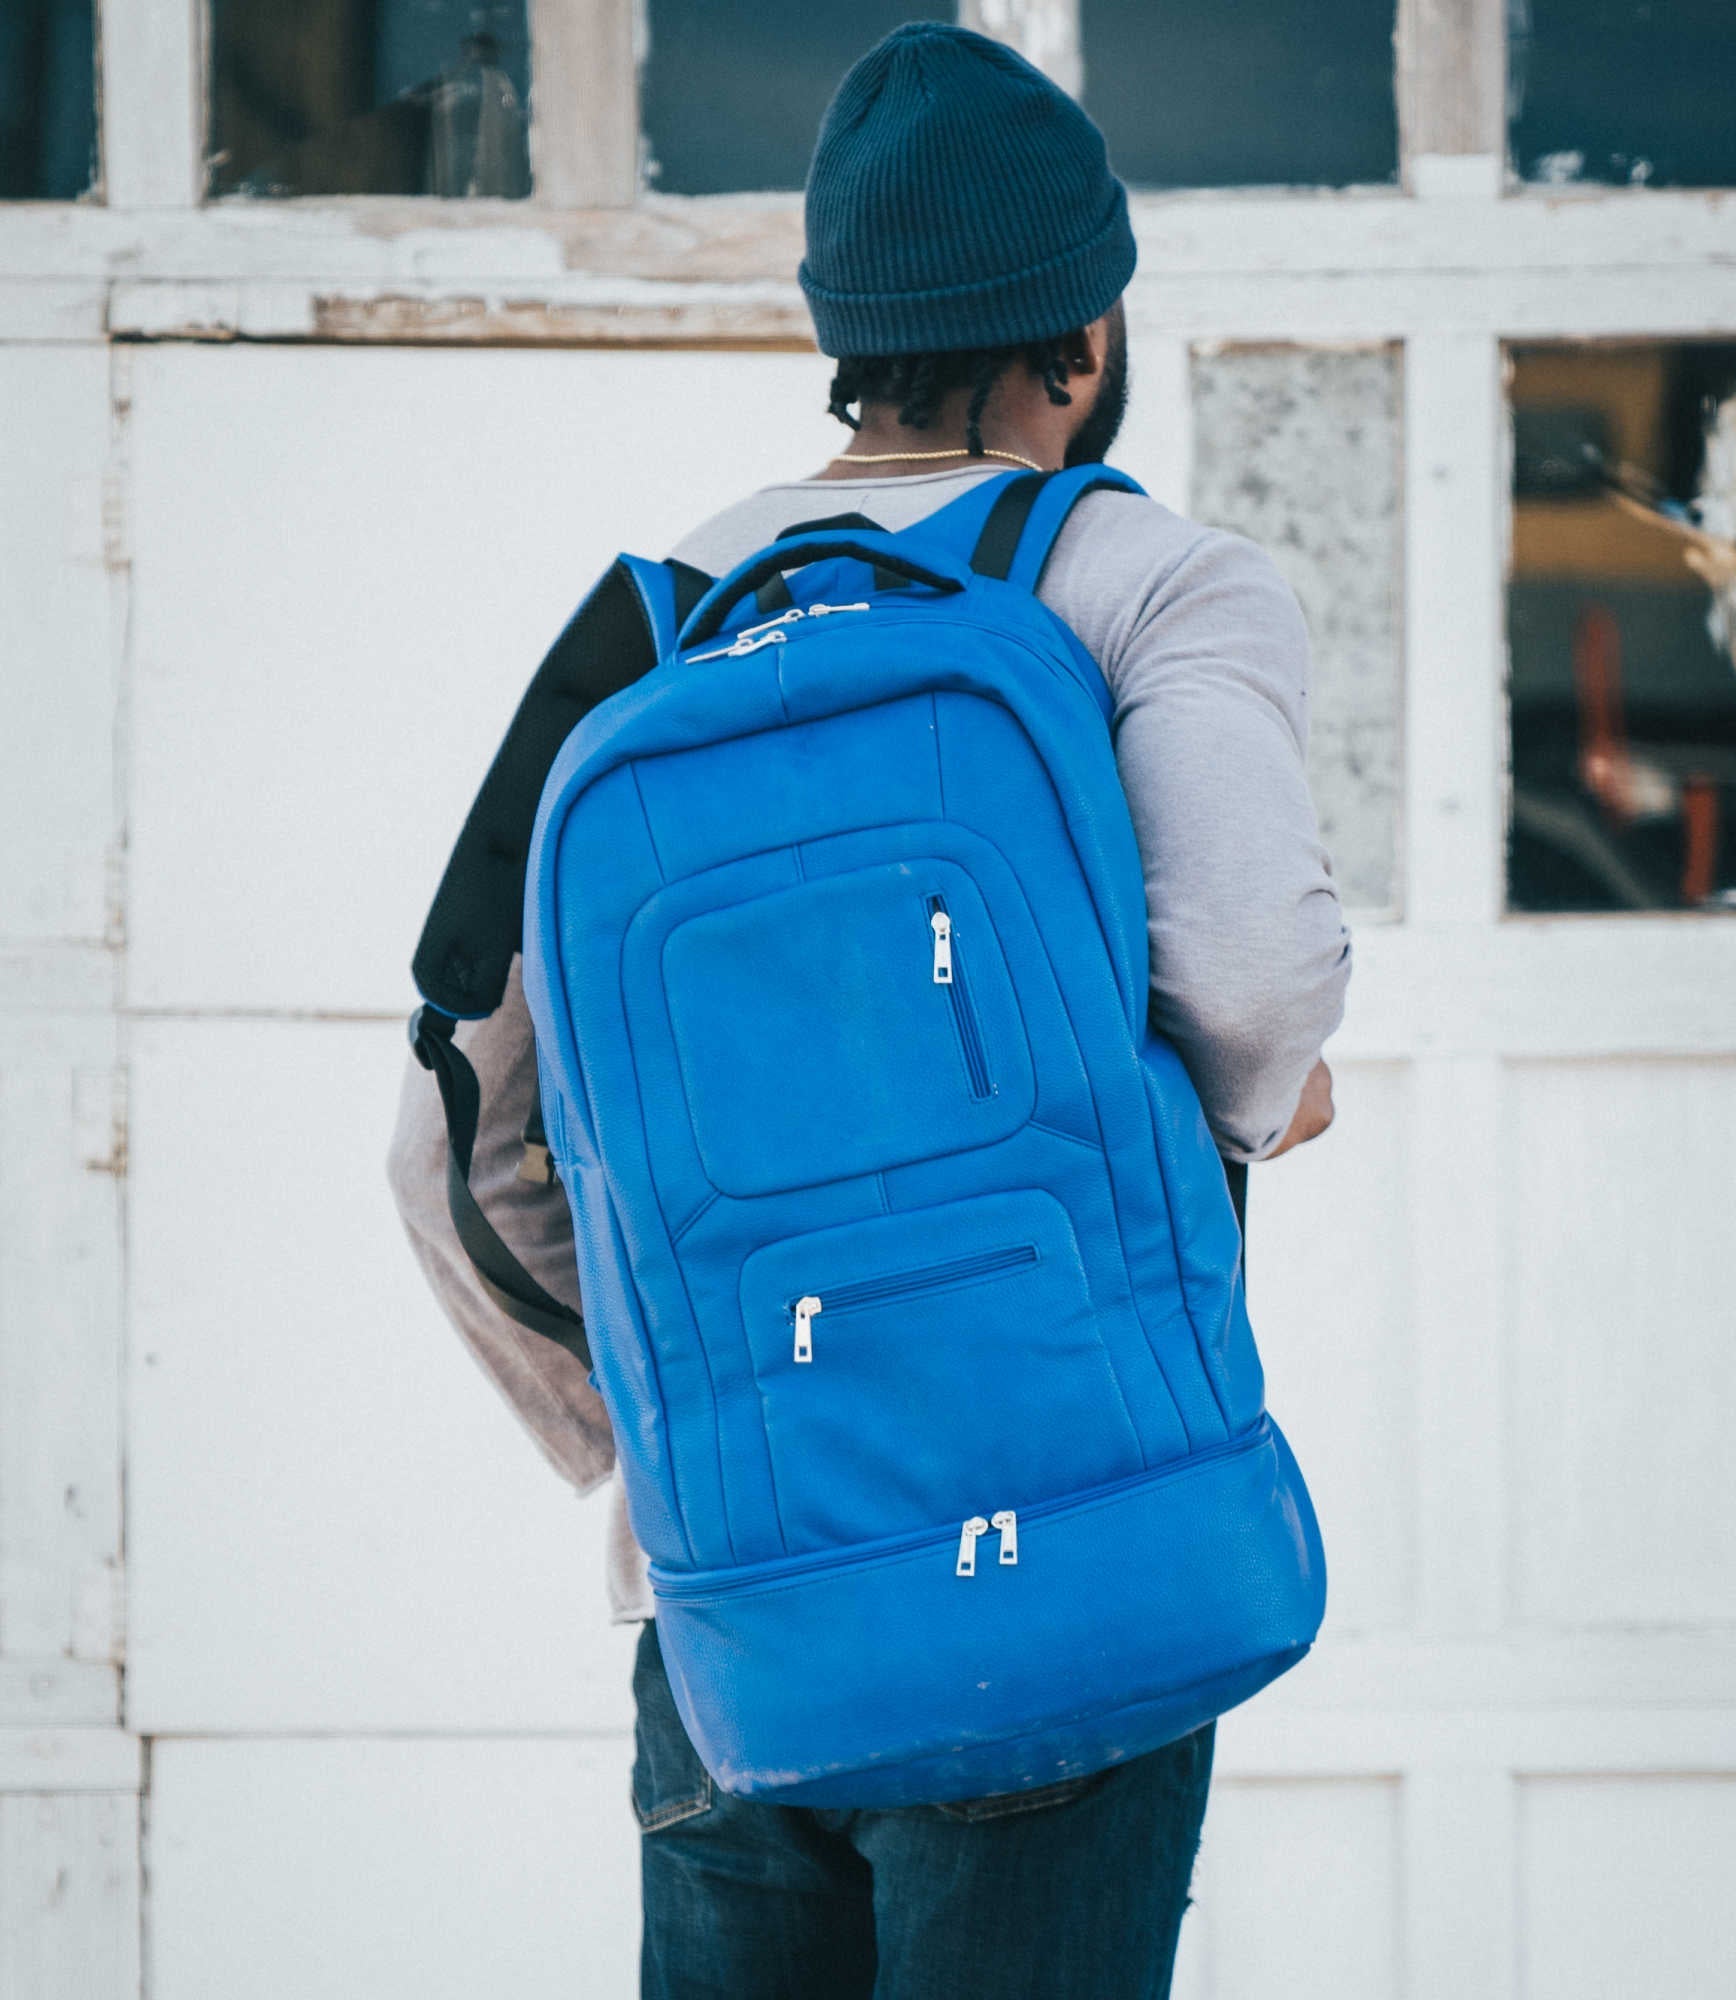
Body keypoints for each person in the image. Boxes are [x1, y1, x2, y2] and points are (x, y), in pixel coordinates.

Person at [387, 22, 1350, 1997]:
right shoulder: (1150, 585)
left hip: (739, 1604)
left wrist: (675, 1430)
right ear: (1079, 340)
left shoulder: (649, 624)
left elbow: (449, 1143)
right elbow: (1252, 983)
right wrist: (1253, 1107)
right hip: (1063, 1571)